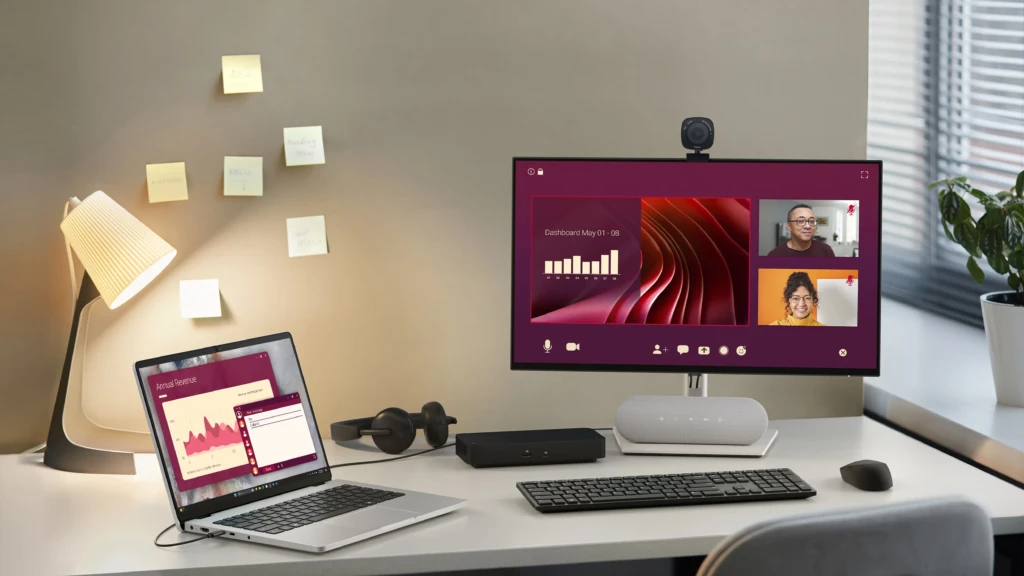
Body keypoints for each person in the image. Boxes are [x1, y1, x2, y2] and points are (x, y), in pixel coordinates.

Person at [768, 204, 836, 257]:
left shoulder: (826, 251)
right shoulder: (775, 255)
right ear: (789, 226)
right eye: (801, 221)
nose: (808, 226)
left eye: (812, 221)